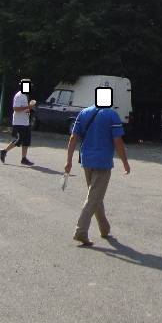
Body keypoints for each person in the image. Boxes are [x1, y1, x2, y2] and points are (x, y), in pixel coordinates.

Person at [64, 100, 130, 246]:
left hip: (86, 160)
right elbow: (118, 141)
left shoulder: (84, 113)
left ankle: (104, 227)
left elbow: (73, 138)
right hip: (103, 161)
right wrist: (125, 162)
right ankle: (81, 231)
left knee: (95, 195)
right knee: (93, 197)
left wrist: (68, 161)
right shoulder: (112, 115)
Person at [0, 86, 36, 165]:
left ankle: (24, 159)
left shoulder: (25, 95)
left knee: (26, 141)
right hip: (19, 122)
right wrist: (28, 107)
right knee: (20, 140)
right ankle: (4, 151)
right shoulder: (19, 95)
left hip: (25, 122)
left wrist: (29, 109)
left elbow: (24, 109)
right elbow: (15, 108)